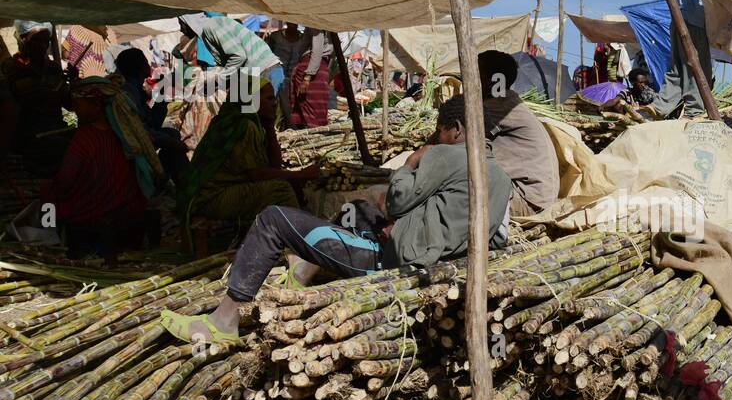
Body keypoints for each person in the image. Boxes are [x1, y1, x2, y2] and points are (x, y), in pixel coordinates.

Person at [159, 108, 512, 343]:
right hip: (431, 262)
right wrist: (420, 230)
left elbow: (396, 200)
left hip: (389, 262)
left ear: (456, 129)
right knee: (357, 208)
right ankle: (301, 272)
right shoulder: (500, 176)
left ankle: (224, 322)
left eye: (440, 133)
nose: (437, 139)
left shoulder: (449, 154)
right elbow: (494, 237)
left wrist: (411, 162)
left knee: (273, 219)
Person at [38, 77, 162, 260]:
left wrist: (50, 190)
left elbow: (65, 180)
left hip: (95, 209)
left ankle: (49, 241)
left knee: (47, 200)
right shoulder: (128, 135)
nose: (76, 110)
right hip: (129, 207)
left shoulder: (85, 138)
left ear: (96, 105)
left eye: (78, 105)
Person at [176, 78, 318, 231]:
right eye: (269, 98)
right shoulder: (243, 125)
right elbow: (258, 174)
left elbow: (274, 165)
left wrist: (270, 127)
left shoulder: (251, 122)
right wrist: (300, 174)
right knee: (281, 190)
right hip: (210, 197)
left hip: (218, 192)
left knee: (286, 182)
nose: (275, 103)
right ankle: (298, 238)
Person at [437, 50, 560, 218]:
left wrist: (422, 155)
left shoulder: (499, 105)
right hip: (535, 196)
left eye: (475, 72)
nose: (468, 77)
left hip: (528, 200)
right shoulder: (505, 101)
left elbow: (450, 132)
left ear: (490, 79)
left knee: (445, 193)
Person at [1, 21, 70, 174]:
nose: (42, 46)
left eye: (46, 41)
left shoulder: (53, 68)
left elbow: (67, 101)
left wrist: (74, 83)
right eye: (37, 40)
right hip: (25, 139)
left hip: (55, 134)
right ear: (22, 40)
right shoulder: (10, 68)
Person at [115, 47, 189, 187]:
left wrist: (162, 92)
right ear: (140, 67)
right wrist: (170, 142)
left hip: (142, 136)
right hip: (136, 141)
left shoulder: (134, 87)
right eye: (145, 62)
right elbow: (144, 128)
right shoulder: (129, 91)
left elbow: (152, 121)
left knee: (172, 134)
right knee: (174, 143)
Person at [177, 13, 284, 111]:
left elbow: (238, 56)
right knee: (253, 116)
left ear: (189, 21)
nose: (181, 29)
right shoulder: (208, 31)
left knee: (259, 116)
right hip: (260, 71)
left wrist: (218, 80)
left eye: (181, 24)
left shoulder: (211, 26)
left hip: (264, 70)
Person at [651, 0, 714, 118]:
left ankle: (659, 107)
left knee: (677, 69)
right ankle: (694, 112)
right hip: (695, 21)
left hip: (677, 19)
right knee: (698, 69)